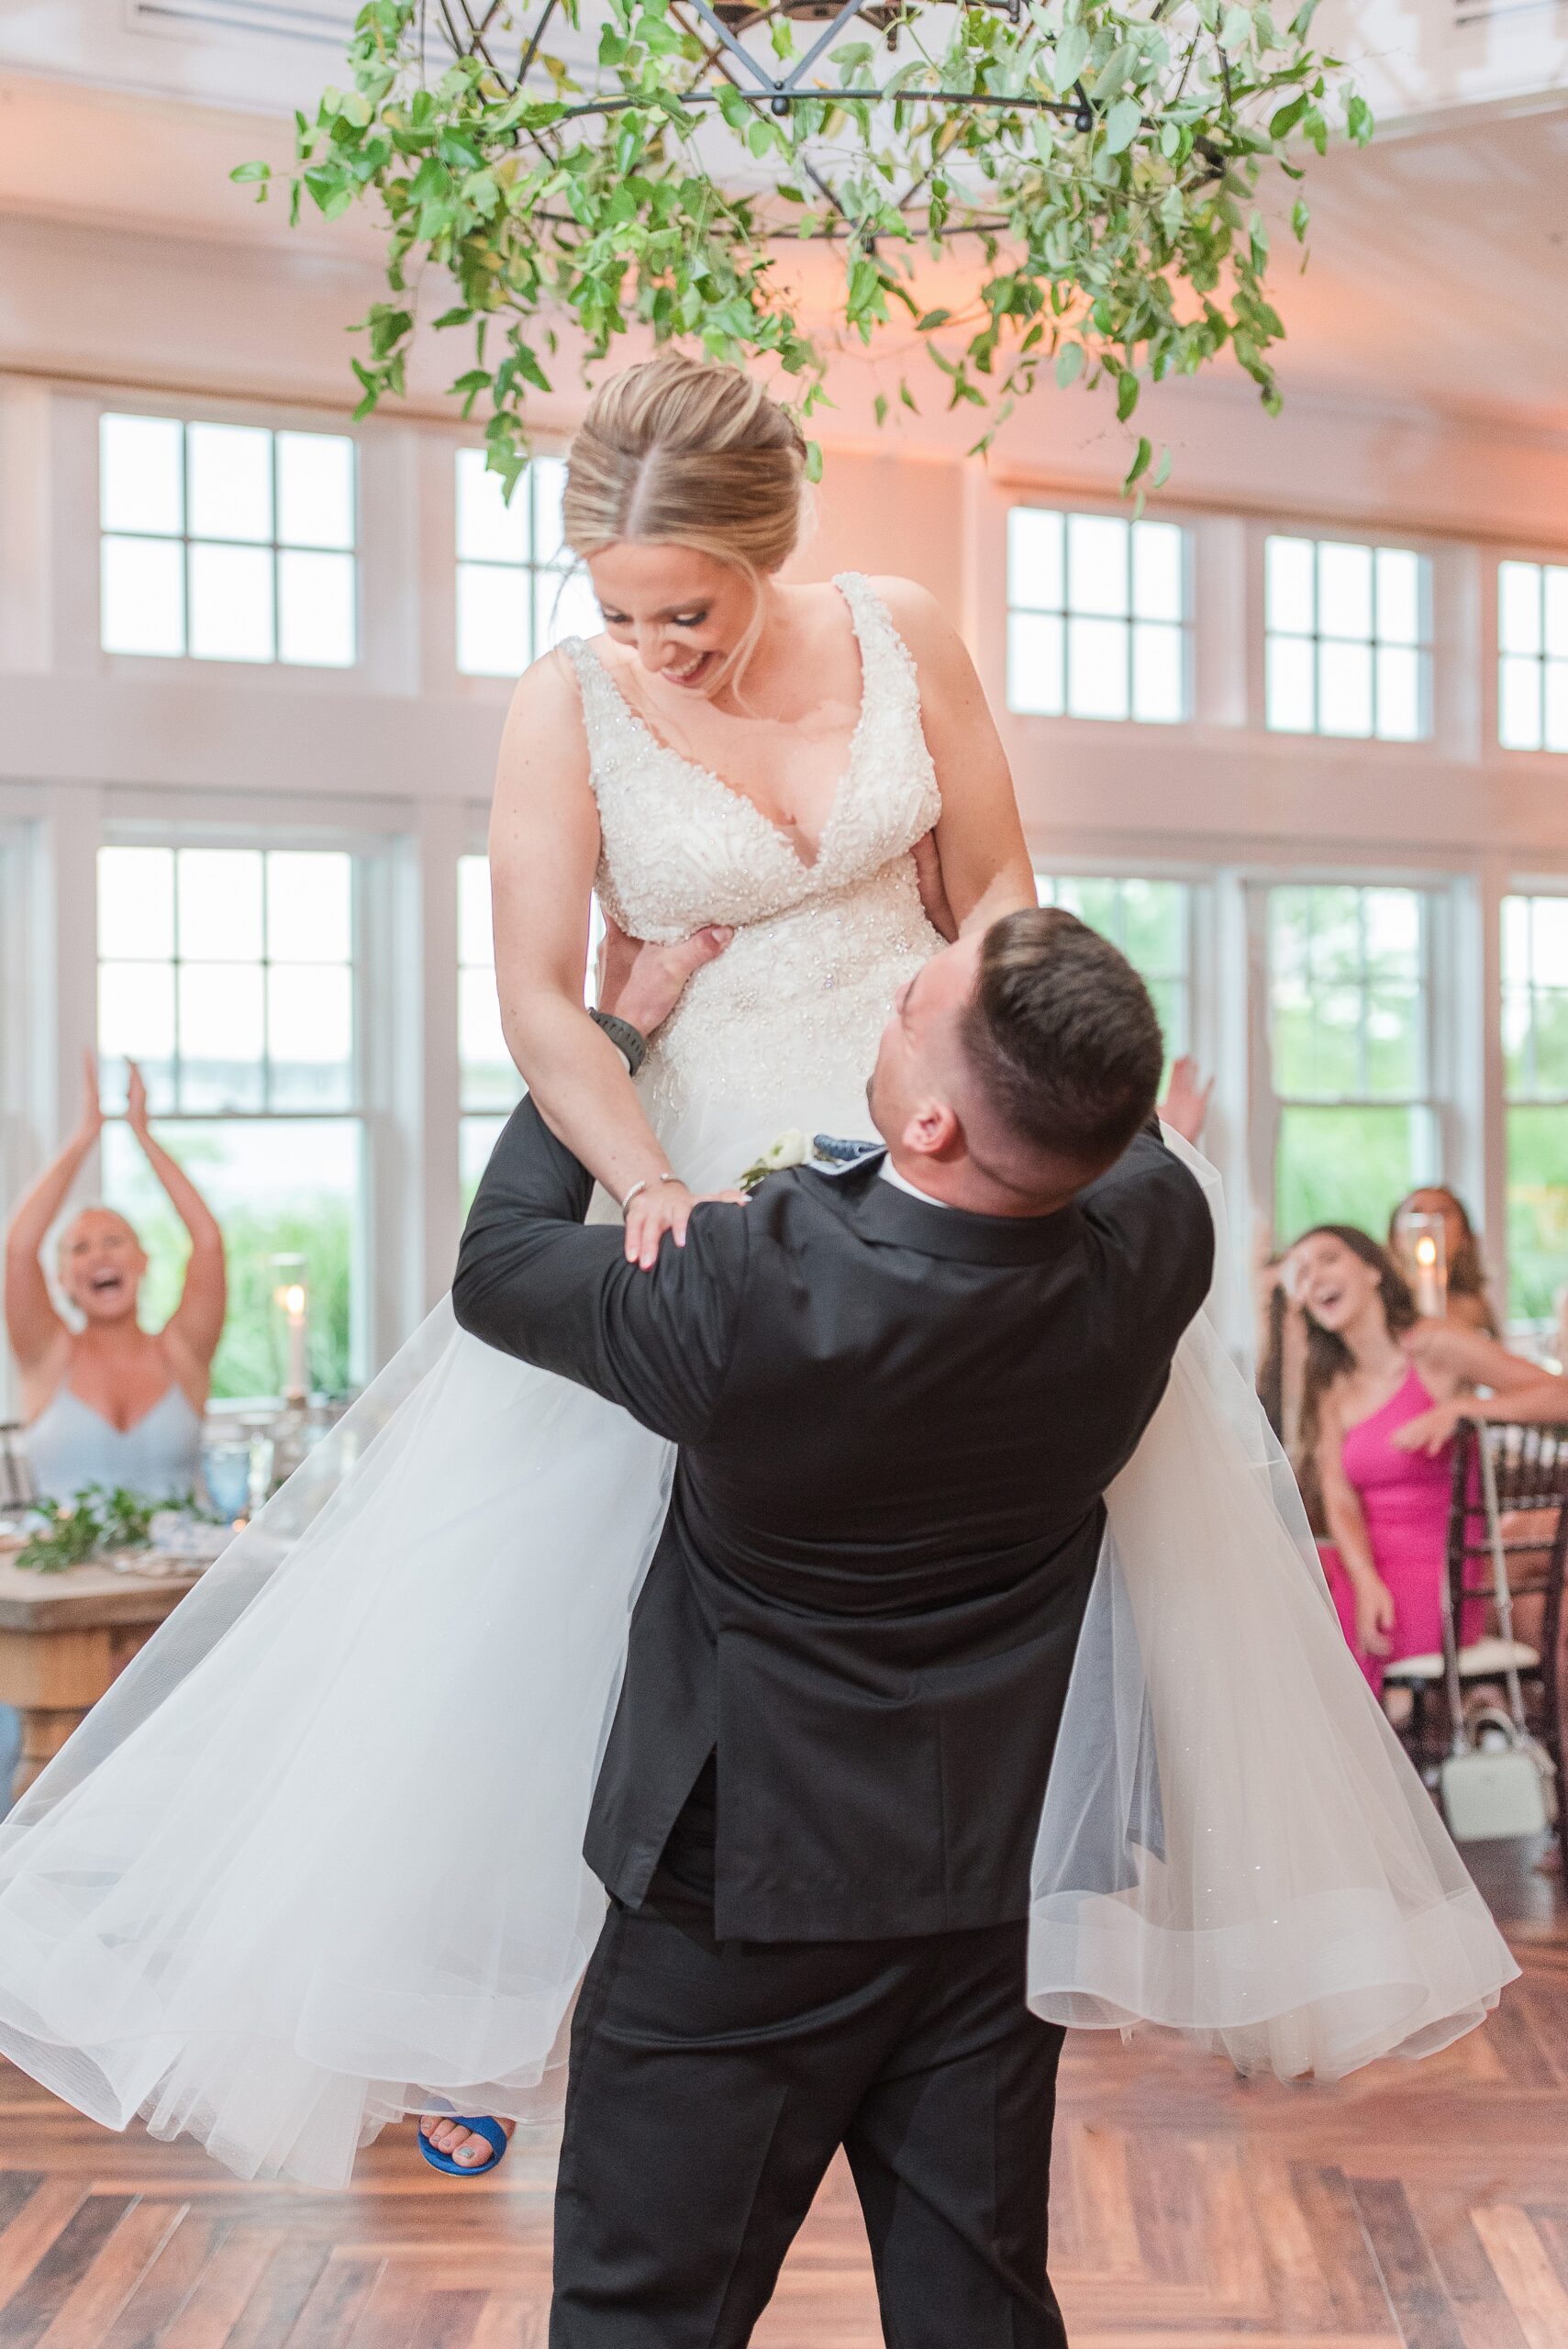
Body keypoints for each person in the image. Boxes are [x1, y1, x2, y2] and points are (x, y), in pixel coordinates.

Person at [0, 355, 1516, 2205]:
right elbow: (545, 999)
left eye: (687, 613)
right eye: (619, 612)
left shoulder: (905, 635)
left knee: (980, 1576)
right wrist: (643, 1180)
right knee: (637, 1624)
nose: (654, 648)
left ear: (769, 551)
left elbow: (1004, 901)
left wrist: (1029, 1109)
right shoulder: (565, 707)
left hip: (955, 1173)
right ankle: (649, 1986)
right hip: (712, 1208)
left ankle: (946, 1939)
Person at [452, 907, 1209, 2342]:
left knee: (644, 2316)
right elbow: (1141, 1142)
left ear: (929, 1123)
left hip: (738, 1901)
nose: (882, 1003)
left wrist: (615, 1023)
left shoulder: (746, 1292)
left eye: (903, 1004)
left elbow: (499, 1263)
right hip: (991, 1889)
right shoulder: (1156, 1249)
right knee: (975, 2314)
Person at [1292, 1224, 1567, 1694]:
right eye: (1300, 1271)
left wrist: (1465, 1409)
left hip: (1443, 1577)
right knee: (1282, 1581)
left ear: (1373, 1270)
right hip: (1367, 1567)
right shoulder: (1331, 1385)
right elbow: (1339, 1499)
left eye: (1328, 1259)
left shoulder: (1433, 1347)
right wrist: (1365, 1579)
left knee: (1303, 1624)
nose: (1314, 1276)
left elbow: (1559, 1396)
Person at [5, 1054, 224, 1502]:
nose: (99, 1255)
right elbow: (19, 1249)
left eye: (113, 1241)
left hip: (181, 1574)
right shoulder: (47, 1356)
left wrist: (143, 1134)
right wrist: (87, 1134)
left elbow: (208, 1243)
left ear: (142, 1260)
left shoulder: (182, 1352)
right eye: (80, 1249)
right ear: (63, 1280)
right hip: (69, 1573)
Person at [1387, 1186, 1499, 1335]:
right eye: (1416, 1212)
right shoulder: (1383, 1306)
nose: (1427, 1223)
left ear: (1464, 1236)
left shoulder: (1475, 1310)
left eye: (1441, 1214)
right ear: (1395, 1236)